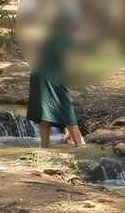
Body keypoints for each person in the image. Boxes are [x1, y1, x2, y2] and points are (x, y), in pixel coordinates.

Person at [27, 10, 86, 150]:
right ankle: (80, 147)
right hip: (51, 76)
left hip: (38, 75)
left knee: (44, 112)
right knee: (67, 110)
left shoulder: (52, 34)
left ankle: (45, 147)